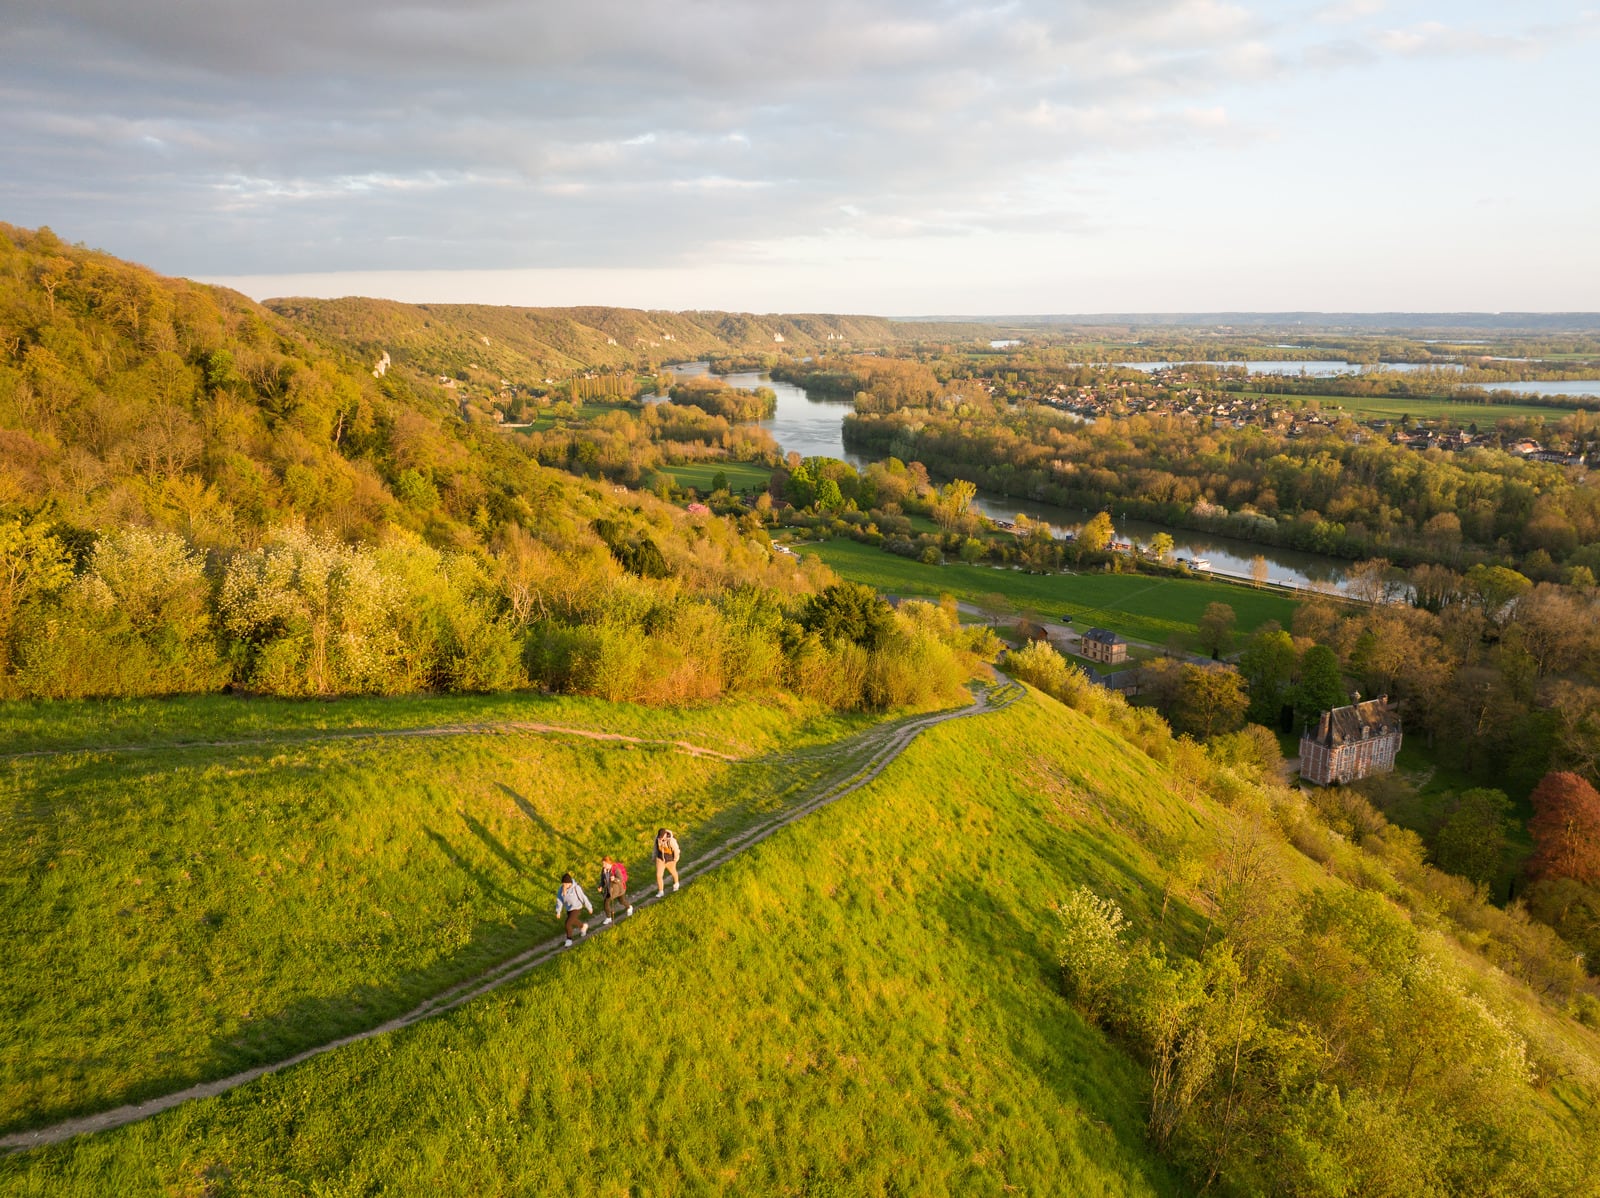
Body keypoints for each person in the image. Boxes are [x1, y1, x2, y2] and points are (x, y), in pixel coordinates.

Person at [555, 872, 592, 947]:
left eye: (565, 884)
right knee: (573, 920)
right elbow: (559, 900)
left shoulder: (576, 888)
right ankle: (583, 927)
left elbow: (583, 897)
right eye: (563, 884)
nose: (563, 885)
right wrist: (558, 911)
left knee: (568, 923)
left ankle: (569, 940)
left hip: (577, 907)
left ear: (569, 883)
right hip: (569, 908)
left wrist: (589, 907)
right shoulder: (561, 889)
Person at [599, 854, 633, 924]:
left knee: (622, 901)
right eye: (603, 864)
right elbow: (602, 879)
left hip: (619, 890)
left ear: (608, 863)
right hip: (610, 890)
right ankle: (608, 918)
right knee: (606, 903)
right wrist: (601, 886)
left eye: (604, 864)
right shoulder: (604, 870)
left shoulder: (616, 870)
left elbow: (620, 879)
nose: (603, 865)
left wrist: (614, 879)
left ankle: (629, 907)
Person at [653, 827, 681, 898]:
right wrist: (654, 857)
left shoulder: (671, 840)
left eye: (662, 837)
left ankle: (676, 884)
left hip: (670, 860)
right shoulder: (657, 838)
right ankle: (661, 891)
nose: (660, 839)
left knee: (673, 872)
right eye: (660, 837)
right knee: (658, 875)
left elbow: (676, 850)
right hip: (660, 859)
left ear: (665, 835)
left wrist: (675, 859)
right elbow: (655, 848)